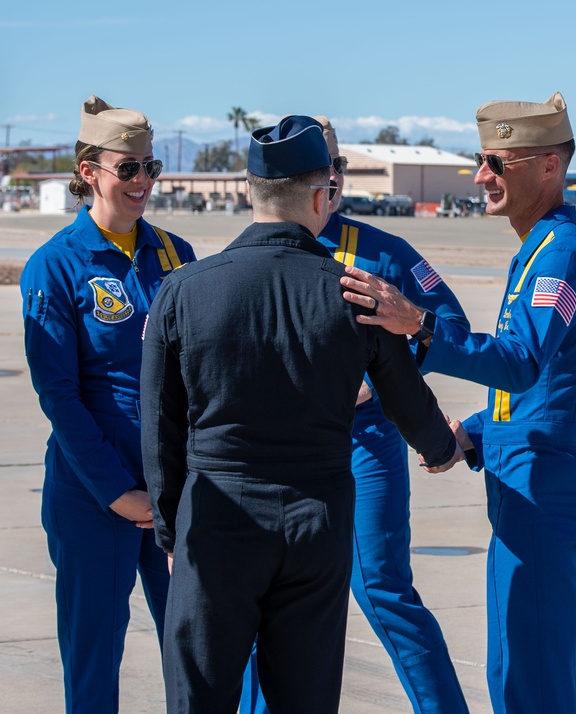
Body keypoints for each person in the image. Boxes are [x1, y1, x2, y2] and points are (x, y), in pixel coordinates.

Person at [140, 115, 458, 714]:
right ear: (322, 194)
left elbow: (160, 428)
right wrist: (441, 450)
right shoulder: (354, 292)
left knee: (200, 697)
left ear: (249, 193)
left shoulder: (184, 291)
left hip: (218, 520)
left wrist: (168, 530)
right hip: (317, 522)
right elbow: (407, 398)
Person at [340, 91, 576, 714]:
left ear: (548, 165)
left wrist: (421, 326)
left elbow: (520, 363)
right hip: (521, 481)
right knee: (512, 675)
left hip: (544, 492)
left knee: (532, 688)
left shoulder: (563, 258)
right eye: (480, 160)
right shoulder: (538, 250)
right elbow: (541, 391)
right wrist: (475, 433)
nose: (481, 176)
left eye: (497, 161)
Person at [239, 117, 470, 714]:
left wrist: (376, 382)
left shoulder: (384, 251)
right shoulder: (251, 254)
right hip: (278, 453)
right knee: (263, 600)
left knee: (382, 589)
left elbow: (449, 327)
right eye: (324, 167)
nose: (333, 177)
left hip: (365, 446)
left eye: (339, 165)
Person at [20, 95, 195, 712]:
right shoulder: (54, 267)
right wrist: (116, 492)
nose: (143, 182)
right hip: (93, 492)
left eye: (152, 168)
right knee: (94, 657)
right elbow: (58, 394)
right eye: (129, 169)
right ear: (89, 170)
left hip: (172, 489)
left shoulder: (176, 256)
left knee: (196, 653)